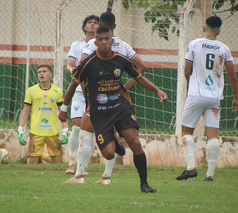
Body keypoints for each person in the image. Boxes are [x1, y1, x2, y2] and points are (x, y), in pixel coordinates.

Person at [59, 26, 168, 193]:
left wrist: (158, 90)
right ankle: (114, 141)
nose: (104, 42)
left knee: (135, 142)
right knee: (109, 154)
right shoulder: (88, 62)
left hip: (120, 108)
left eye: (106, 39)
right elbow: (73, 85)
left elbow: (139, 78)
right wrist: (64, 109)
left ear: (112, 40)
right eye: (100, 40)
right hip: (99, 113)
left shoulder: (121, 60)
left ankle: (144, 184)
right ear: (95, 43)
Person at [65, 12, 148, 185]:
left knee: (85, 133)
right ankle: (106, 177)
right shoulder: (123, 45)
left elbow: (81, 66)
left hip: (92, 97)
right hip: (114, 96)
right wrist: (123, 87)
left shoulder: (91, 44)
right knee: (110, 135)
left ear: (100, 26)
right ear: (115, 26)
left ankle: (79, 175)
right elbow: (141, 67)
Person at [176, 16, 238, 181]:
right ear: (219, 31)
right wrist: (236, 98)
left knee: (186, 131)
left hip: (196, 95)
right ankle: (210, 174)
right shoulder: (224, 49)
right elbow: (233, 77)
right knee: (213, 135)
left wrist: (192, 86)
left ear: (204, 28)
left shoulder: (195, 44)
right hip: (214, 98)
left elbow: (186, 70)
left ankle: (190, 167)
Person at [64, 15, 100, 174]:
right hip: (79, 90)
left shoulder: (103, 44)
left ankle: (83, 165)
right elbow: (69, 65)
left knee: (90, 130)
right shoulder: (76, 44)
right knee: (77, 127)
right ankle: (72, 163)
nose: (92, 25)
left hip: (97, 91)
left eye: (95, 22)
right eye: (89, 23)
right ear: (84, 27)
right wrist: (76, 72)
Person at [18, 64, 66, 164]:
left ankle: (41, 158)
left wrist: (65, 131)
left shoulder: (57, 91)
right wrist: (20, 130)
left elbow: (63, 113)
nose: (41, 74)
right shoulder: (31, 91)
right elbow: (25, 112)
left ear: (50, 75)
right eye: (39, 72)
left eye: (44, 71)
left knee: (58, 164)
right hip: (36, 132)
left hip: (52, 132)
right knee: (32, 165)